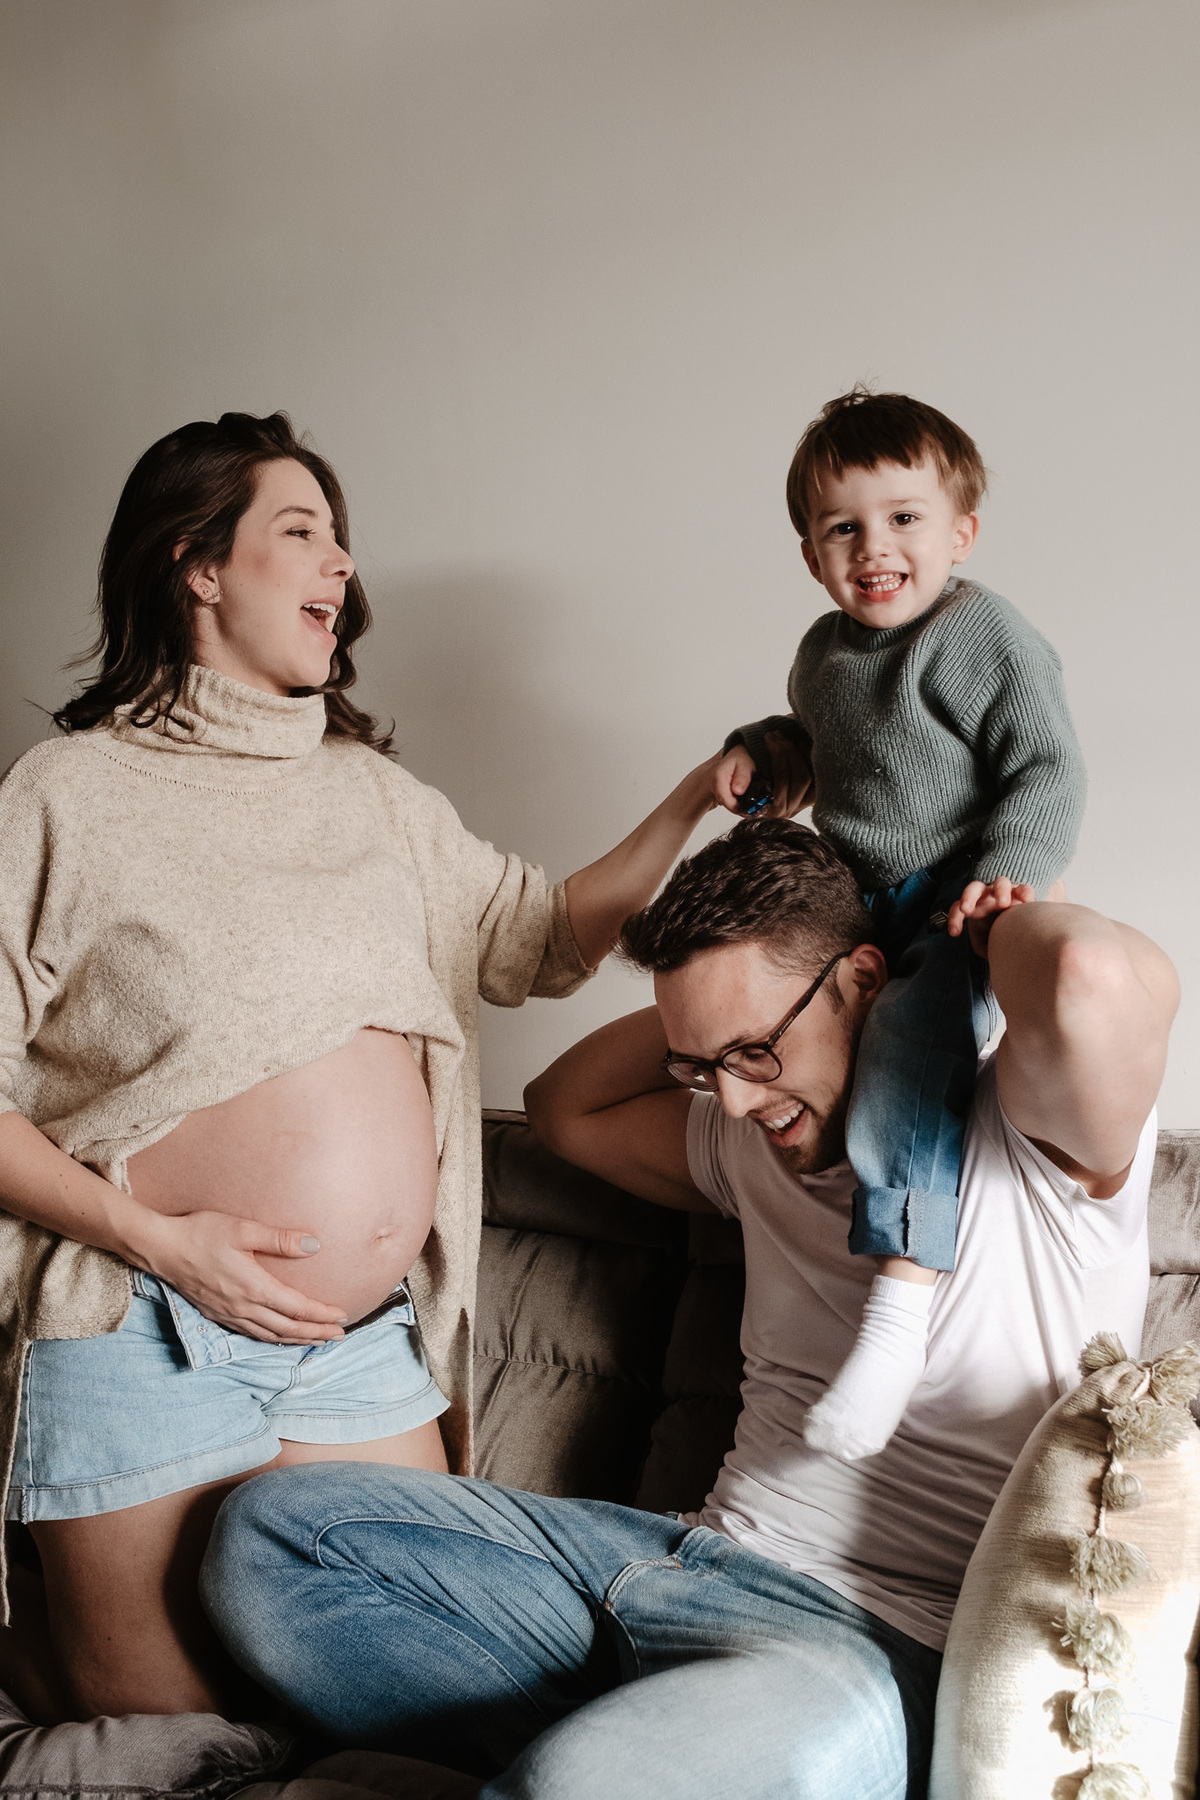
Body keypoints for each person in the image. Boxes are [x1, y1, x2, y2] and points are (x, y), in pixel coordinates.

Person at [201, 817, 1175, 1800]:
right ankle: (650, 1749)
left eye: (755, 1052)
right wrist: (713, 1027)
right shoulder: (748, 1137)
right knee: (267, 1540)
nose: (736, 1104)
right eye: (701, 1070)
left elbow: (1089, 971)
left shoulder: (1036, 1146)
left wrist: (978, 935)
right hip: (665, 1560)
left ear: (867, 980)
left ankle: (611, 1763)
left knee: (575, 1787)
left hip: (865, 1646)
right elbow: (562, 1107)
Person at [0, 410, 727, 1722]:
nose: (341, 566)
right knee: (175, 1743)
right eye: (301, 533)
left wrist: (695, 796)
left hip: (353, 1352)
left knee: (419, 1709)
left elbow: (545, 939)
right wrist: (167, 1247)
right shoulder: (67, 796)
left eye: (344, 541)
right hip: (144, 1330)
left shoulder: (379, 803)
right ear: (196, 562)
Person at [715, 388, 1087, 1461]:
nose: (874, 547)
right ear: (810, 552)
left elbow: (1049, 767)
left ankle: (900, 1308)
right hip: (854, 891)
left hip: (957, 897)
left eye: (904, 518)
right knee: (760, 976)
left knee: (910, 1037)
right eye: (844, 527)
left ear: (960, 532)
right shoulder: (823, 653)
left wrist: (1009, 875)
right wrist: (765, 751)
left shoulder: (983, 635)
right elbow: (820, 740)